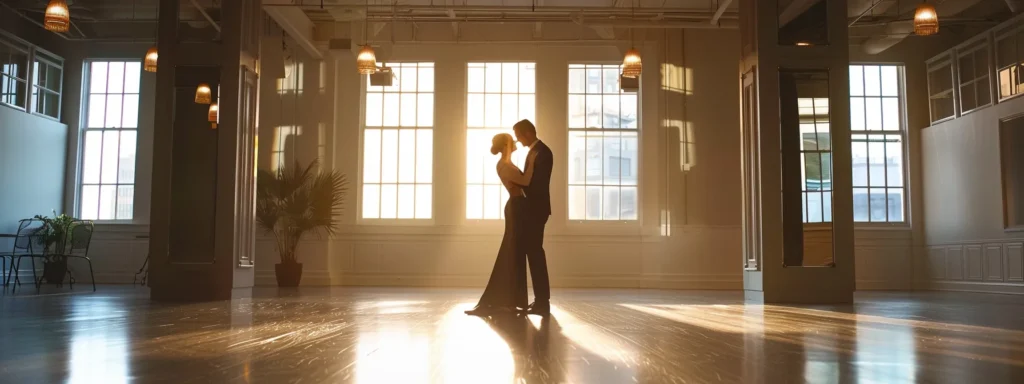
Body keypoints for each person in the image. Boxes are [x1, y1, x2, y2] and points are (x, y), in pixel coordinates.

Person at [465, 132, 531, 316]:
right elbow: (525, 181)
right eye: (512, 141)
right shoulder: (505, 165)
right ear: (506, 146)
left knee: (515, 252)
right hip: (516, 207)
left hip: (518, 207)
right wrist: (532, 162)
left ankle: (511, 300)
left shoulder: (506, 164)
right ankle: (499, 299)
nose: (516, 142)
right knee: (511, 251)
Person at [511, 119, 553, 316]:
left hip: (536, 209)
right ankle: (540, 301)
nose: (518, 141)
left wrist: (515, 181)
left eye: (518, 136)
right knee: (533, 253)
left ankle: (542, 302)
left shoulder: (542, 152)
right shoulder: (535, 151)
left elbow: (537, 184)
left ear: (527, 133)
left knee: (535, 254)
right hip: (533, 209)